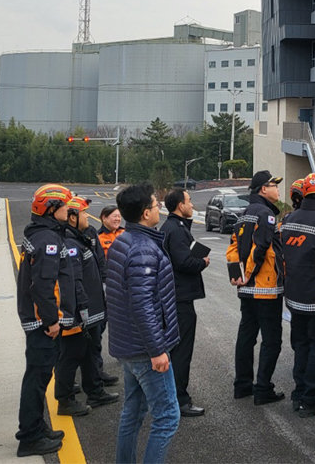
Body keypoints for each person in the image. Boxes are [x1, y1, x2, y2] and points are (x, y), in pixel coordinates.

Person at [106, 183, 180, 464]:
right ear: (144, 212)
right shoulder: (142, 250)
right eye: (154, 203)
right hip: (144, 348)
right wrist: (157, 350)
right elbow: (142, 304)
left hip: (129, 344)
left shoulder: (125, 240)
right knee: (167, 418)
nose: (158, 206)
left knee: (133, 412)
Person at [15, 183, 75, 458]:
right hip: (43, 323)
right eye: (64, 206)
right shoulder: (48, 240)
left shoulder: (41, 234)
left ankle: (37, 428)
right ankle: (29, 437)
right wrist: (51, 320)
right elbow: (43, 284)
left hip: (38, 320)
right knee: (37, 380)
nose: (68, 209)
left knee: (38, 377)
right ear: (51, 209)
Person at [55, 196, 120, 415]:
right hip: (82, 311)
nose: (87, 217)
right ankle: (65, 399)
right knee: (72, 354)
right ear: (72, 218)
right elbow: (75, 282)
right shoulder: (71, 244)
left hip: (91, 309)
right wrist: (82, 310)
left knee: (90, 351)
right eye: (83, 213)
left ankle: (95, 390)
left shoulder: (82, 237)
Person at [226, 169, 285, 405]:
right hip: (265, 288)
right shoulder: (266, 215)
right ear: (263, 189)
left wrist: (236, 275)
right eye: (274, 185)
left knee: (246, 335)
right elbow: (260, 248)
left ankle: (242, 385)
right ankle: (263, 389)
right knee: (272, 340)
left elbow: (233, 248)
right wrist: (248, 275)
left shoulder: (243, 214)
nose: (277, 189)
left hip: (247, 289)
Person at [281, 173, 315, 417]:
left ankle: (298, 393)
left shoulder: (288, 220)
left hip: (293, 298)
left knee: (300, 346)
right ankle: (311, 398)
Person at [160, 188, 209, 417]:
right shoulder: (176, 230)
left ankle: (172, 396)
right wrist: (203, 261)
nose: (192, 206)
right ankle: (180, 400)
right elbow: (184, 262)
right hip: (180, 298)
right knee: (181, 351)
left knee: (175, 349)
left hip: (175, 296)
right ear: (180, 205)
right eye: (189, 202)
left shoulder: (173, 227)